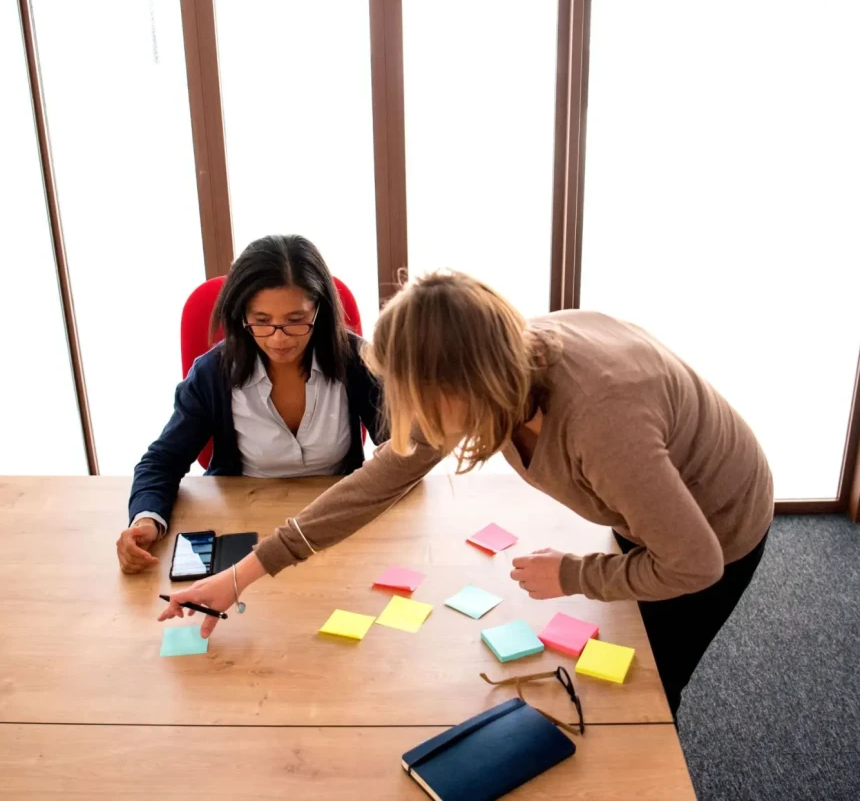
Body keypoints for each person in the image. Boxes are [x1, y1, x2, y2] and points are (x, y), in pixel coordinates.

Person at [159, 270, 773, 718]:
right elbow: (378, 481)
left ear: (466, 383)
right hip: (648, 503)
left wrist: (574, 574)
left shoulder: (603, 423)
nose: (413, 414)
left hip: (717, 527)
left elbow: (694, 563)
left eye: (420, 397)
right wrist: (241, 575)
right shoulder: (496, 365)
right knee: (614, 672)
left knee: (648, 697)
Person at [116, 234, 386, 574]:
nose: (278, 338)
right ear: (241, 314)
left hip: (336, 527)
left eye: (295, 320)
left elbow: (403, 452)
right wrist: (145, 521)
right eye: (261, 320)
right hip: (242, 529)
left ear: (320, 309)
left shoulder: (359, 362)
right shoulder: (213, 373)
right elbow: (162, 462)